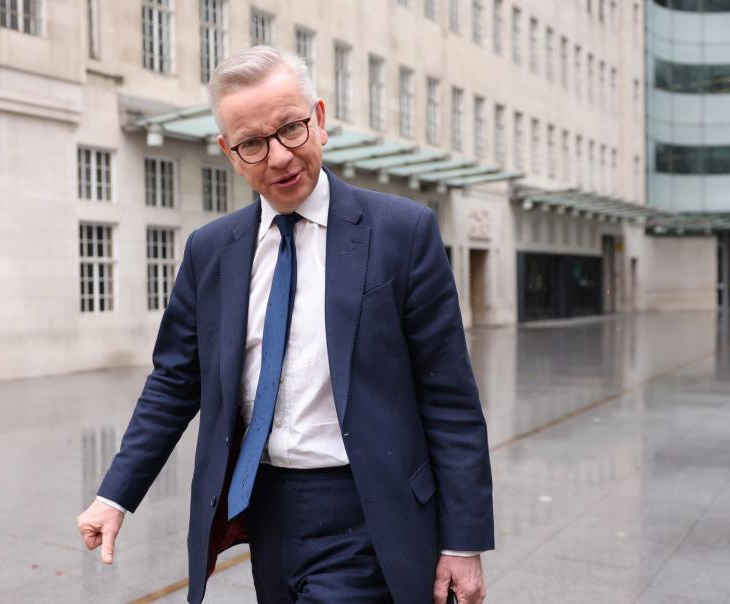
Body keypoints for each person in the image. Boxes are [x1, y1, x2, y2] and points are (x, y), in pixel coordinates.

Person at [77, 46, 494, 604]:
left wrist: (463, 543)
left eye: (291, 129)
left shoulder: (402, 232)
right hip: (264, 511)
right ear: (230, 152)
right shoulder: (211, 251)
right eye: (252, 143)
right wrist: (115, 496)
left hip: (368, 509)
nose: (278, 157)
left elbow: (449, 398)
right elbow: (175, 381)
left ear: (319, 119)